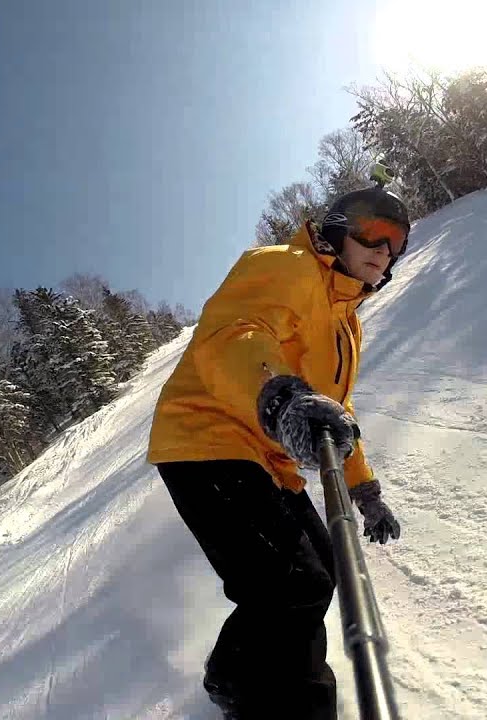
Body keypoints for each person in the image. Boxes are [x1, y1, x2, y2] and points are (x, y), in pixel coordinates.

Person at [147, 178, 408, 719]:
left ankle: (233, 676)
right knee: (293, 585)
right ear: (338, 231)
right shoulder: (288, 266)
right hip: (208, 437)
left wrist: (365, 488)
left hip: (269, 459)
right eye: (374, 234)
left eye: (396, 243)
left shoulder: (345, 323)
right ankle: (275, 706)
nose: (384, 251)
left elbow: (337, 412)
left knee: (323, 573)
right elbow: (237, 334)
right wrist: (277, 393)